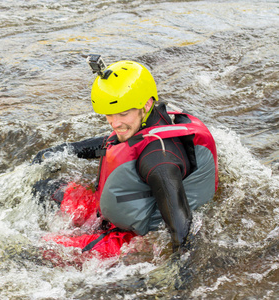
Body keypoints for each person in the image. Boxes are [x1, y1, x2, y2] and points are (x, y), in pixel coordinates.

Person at [33, 57, 218, 255]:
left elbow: (181, 227)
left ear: (146, 105)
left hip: (129, 239)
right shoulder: (145, 122)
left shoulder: (159, 162)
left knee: (40, 250)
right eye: (109, 114)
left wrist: (179, 271)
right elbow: (109, 146)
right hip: (107, 214)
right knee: (43, 188)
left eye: (122, 114)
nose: (114, 123)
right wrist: (63, 150)